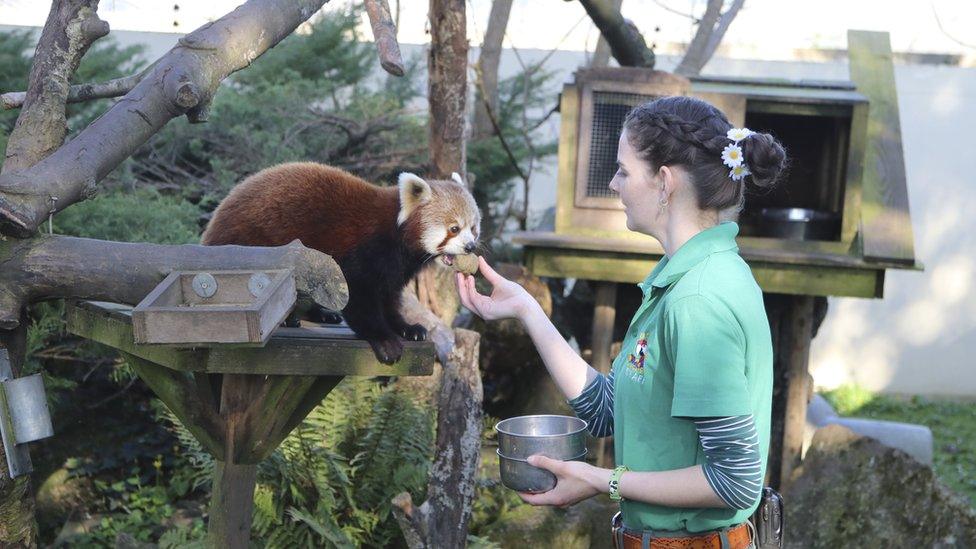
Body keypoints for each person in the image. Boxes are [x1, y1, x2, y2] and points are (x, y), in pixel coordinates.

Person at [456, 95, 786, 549]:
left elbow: (734, 482)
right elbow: (608, 411)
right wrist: (527, 310)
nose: (613, 183)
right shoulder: (685, 278)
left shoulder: (698, 300)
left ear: (664, 182)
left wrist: (602, 480)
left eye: (624, 171)